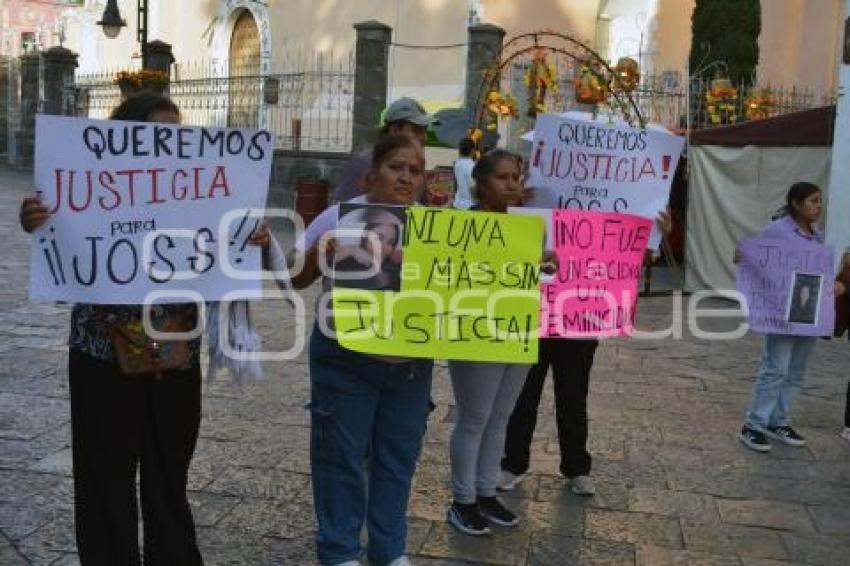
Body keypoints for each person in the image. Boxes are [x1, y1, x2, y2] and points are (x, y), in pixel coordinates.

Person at [18, 93, 271, 565]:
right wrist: (36, 221)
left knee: (168, 477)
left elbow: (231, 243)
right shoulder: (94, 184)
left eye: (177, 136)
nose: (170, 145)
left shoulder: (197, 191)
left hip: (175, 357)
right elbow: (61, 234)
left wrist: (251, 238)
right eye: (158, 135)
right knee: (104, 477)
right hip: (101, 356)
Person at [290, 134, 432, 566]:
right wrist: (317, 253)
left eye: (415, 170)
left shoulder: (436, 225)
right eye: (396, 167)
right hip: (345, 359)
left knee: (397, 458)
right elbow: (293, 278)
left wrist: (530, 265)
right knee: (341, 458)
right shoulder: (337, 217)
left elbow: (477, 275)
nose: (406, 177)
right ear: (372, 175)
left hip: (408, 365)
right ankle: (340, 551)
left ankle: (390, 550)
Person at [445, 149, 530, 536]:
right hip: (477, 333)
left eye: (516, 177)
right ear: (480, 185)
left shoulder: (531, 225)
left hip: (520, 327)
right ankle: (463, 500)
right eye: (502, 177)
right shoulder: (463, 225)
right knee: (474, 418)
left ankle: (485, 491)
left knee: (500, 418)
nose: (512, 184)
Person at [738, 182, 832, 452]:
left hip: (805, 311)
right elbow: (755, 258)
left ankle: (778, 419)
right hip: (780, 312)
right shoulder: (777, 230)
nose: (818, 206)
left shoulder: (816, 235)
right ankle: (754, 424)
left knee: (796, 370)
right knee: (775, 368)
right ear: (796, 203)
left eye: (820, 201)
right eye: (813, 201)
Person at [333, 97, 436, 202]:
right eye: (417, 130)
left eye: (425, 131)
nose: (424, 138)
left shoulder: (417, 165)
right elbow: (344, 212)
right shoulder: (364, 163)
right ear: (395, 130)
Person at [334, 206, 404, 291]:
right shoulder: (346, 265)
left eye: (391, 242)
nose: (384, 247)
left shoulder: (395, 272)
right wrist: (351, 250)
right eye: (379, 237)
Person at [452, 137, 476, 209]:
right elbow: (473, 188)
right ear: (473, 150)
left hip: (458, 203)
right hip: (469, 206)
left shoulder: (457, 164)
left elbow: (456, 184)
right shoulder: (471, 166)